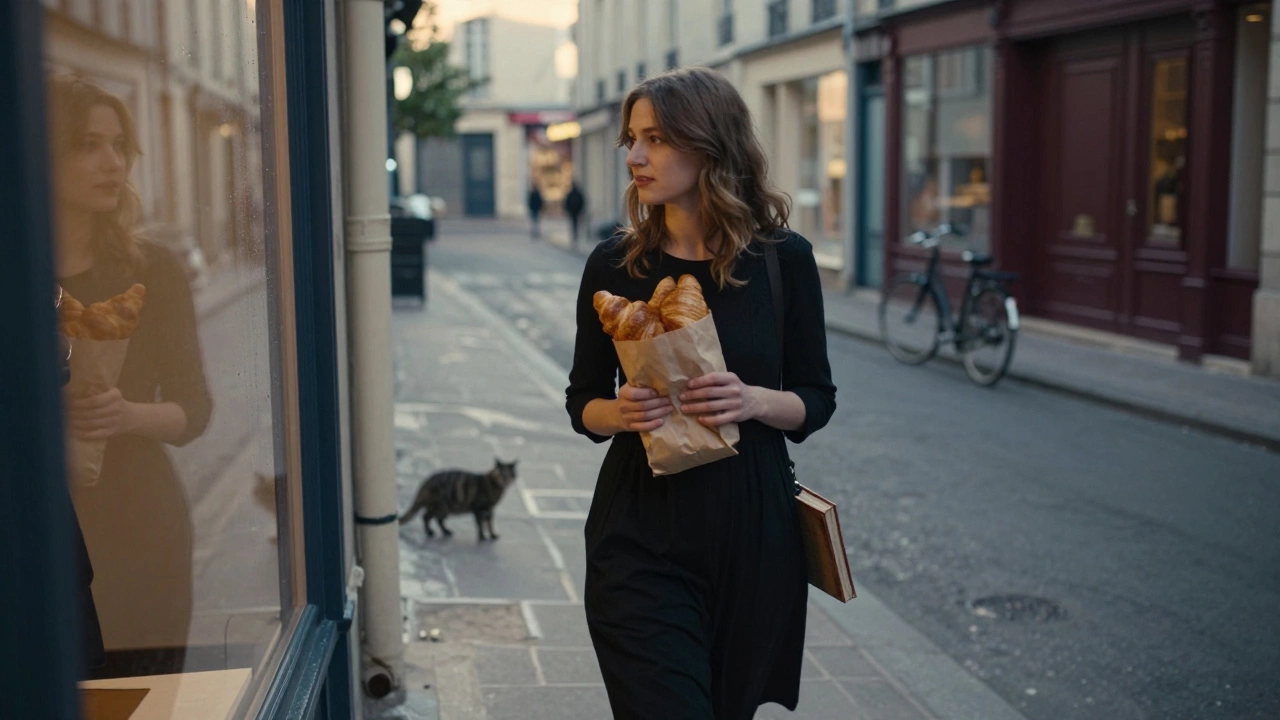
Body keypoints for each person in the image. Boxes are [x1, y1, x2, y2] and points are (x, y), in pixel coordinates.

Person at [565, 67, 837, 719]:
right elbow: (583, 405)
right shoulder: (613, 264)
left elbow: (815, 398)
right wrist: (620, 412)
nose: (634, 156)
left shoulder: (783, 261)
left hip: (753, 534)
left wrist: (751, 401)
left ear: (709, 144)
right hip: (639, 534)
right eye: (632, 139)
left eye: (654, 139)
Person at [48, 75, 212, 678]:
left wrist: (125, 416)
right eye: (87, 145)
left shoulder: (153, 269)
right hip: (43, 534)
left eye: (119, 146)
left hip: (144, 530)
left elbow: (195, 410)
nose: (112, 163)